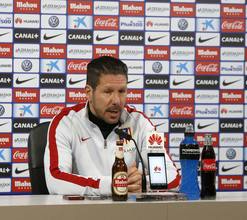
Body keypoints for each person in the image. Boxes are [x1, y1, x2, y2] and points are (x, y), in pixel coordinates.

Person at [44, 56, 180, 195]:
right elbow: (56, 181)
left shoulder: (140, 123)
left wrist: (141, 183)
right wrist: (113, 185)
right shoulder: (66, 122)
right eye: (108, 92)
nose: (116, 101)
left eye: (122, 91)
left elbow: (173, 178)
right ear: (89, 93)